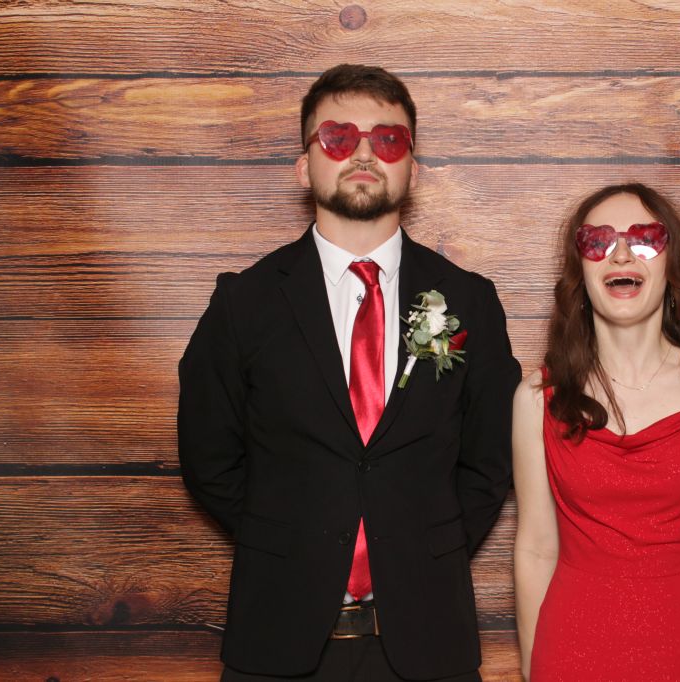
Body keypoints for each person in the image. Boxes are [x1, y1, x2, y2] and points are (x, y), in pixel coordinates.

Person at [178, 64, 520, 681]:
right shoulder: (243, 302)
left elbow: (489, 462)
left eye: (388, 139)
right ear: (303, 165)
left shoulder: (470, 301)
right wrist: (292, 542)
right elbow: (208, 458)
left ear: (412, 169)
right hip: (277, 643)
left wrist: (421, 550)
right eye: (338, 137)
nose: (364, 153)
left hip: (428, 644)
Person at [513, 183, 680, 681]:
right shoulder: (537, 399)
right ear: (580, 269)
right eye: (598, 241)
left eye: (645, 238)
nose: (622, 253)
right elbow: (537, 546)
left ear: (672, 263)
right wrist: (532, 665)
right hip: (570, 655)